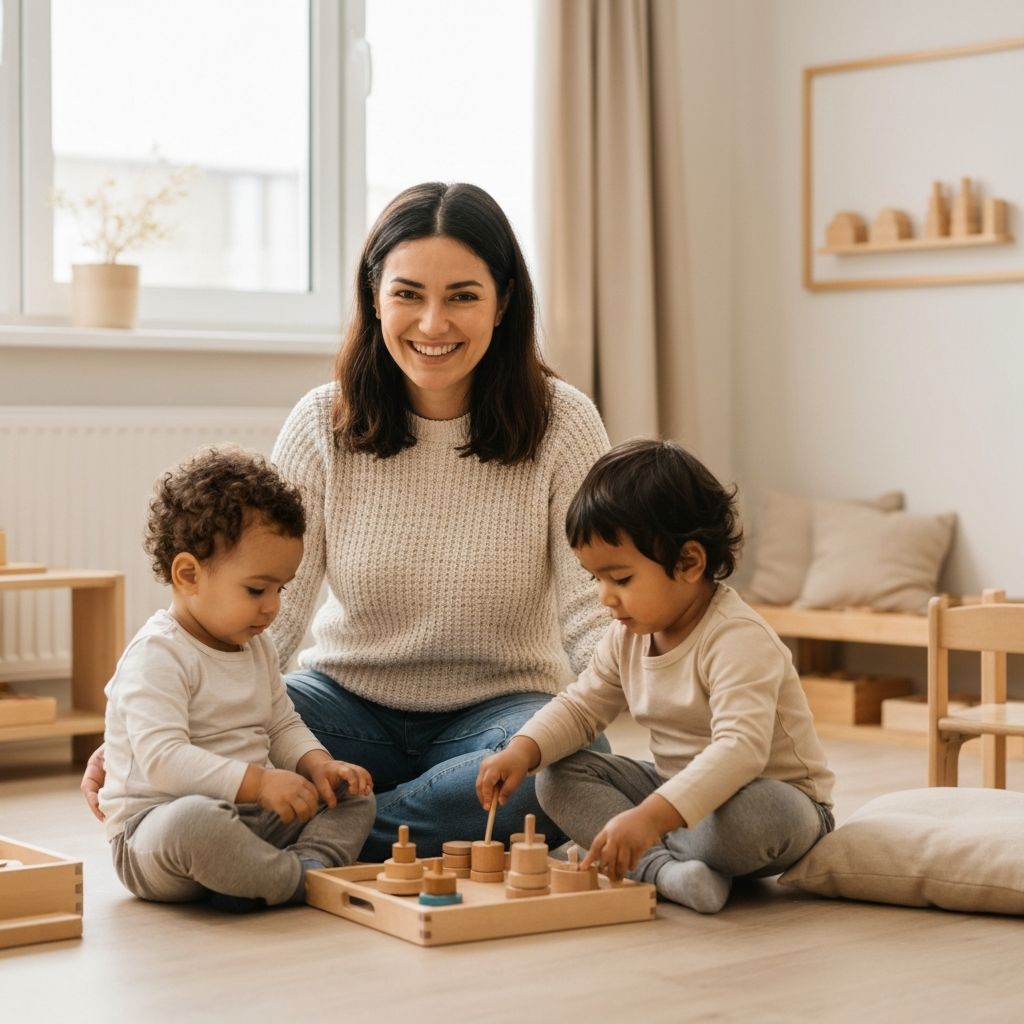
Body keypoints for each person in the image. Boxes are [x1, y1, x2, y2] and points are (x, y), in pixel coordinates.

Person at [83, 182, 611, 859]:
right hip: (338, 709)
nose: (432, 324)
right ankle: (382, 820)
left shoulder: (564, 425)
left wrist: (660, 713)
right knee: (230, 733)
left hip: (498, 715)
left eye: (463, 296)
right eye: (408, 294)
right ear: (374, 297)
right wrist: (144, 724)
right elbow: (260, 609)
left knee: (569, 762)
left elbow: (593, 616)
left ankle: (324, 826)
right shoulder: (321, 421)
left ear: (503, 301)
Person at [475, 439, 835, 914]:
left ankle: (650, 852)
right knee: (556, 777)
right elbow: (582, 706)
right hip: (675, 798)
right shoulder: (627, 635)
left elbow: (740, 750)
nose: (605, 597)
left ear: (689, 563)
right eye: (594, 579)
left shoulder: (737, 638)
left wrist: (646, 818)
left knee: (746, 818)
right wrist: (523, 748)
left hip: (775, 805)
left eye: (620, 579)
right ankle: (667, 873)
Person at [98, 445, 375, 913]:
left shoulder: (256, 647)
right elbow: (163, 760)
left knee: (353, 799)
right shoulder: (157, 654)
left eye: (280, 589)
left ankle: (295, 867)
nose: (273, 606)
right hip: (157, 830)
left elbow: (282, 725)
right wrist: (261, 783)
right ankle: (292, 882)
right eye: (256, 589)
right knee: (197, 821)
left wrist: (319, 766)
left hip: (250, 819)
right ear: (188, 574)